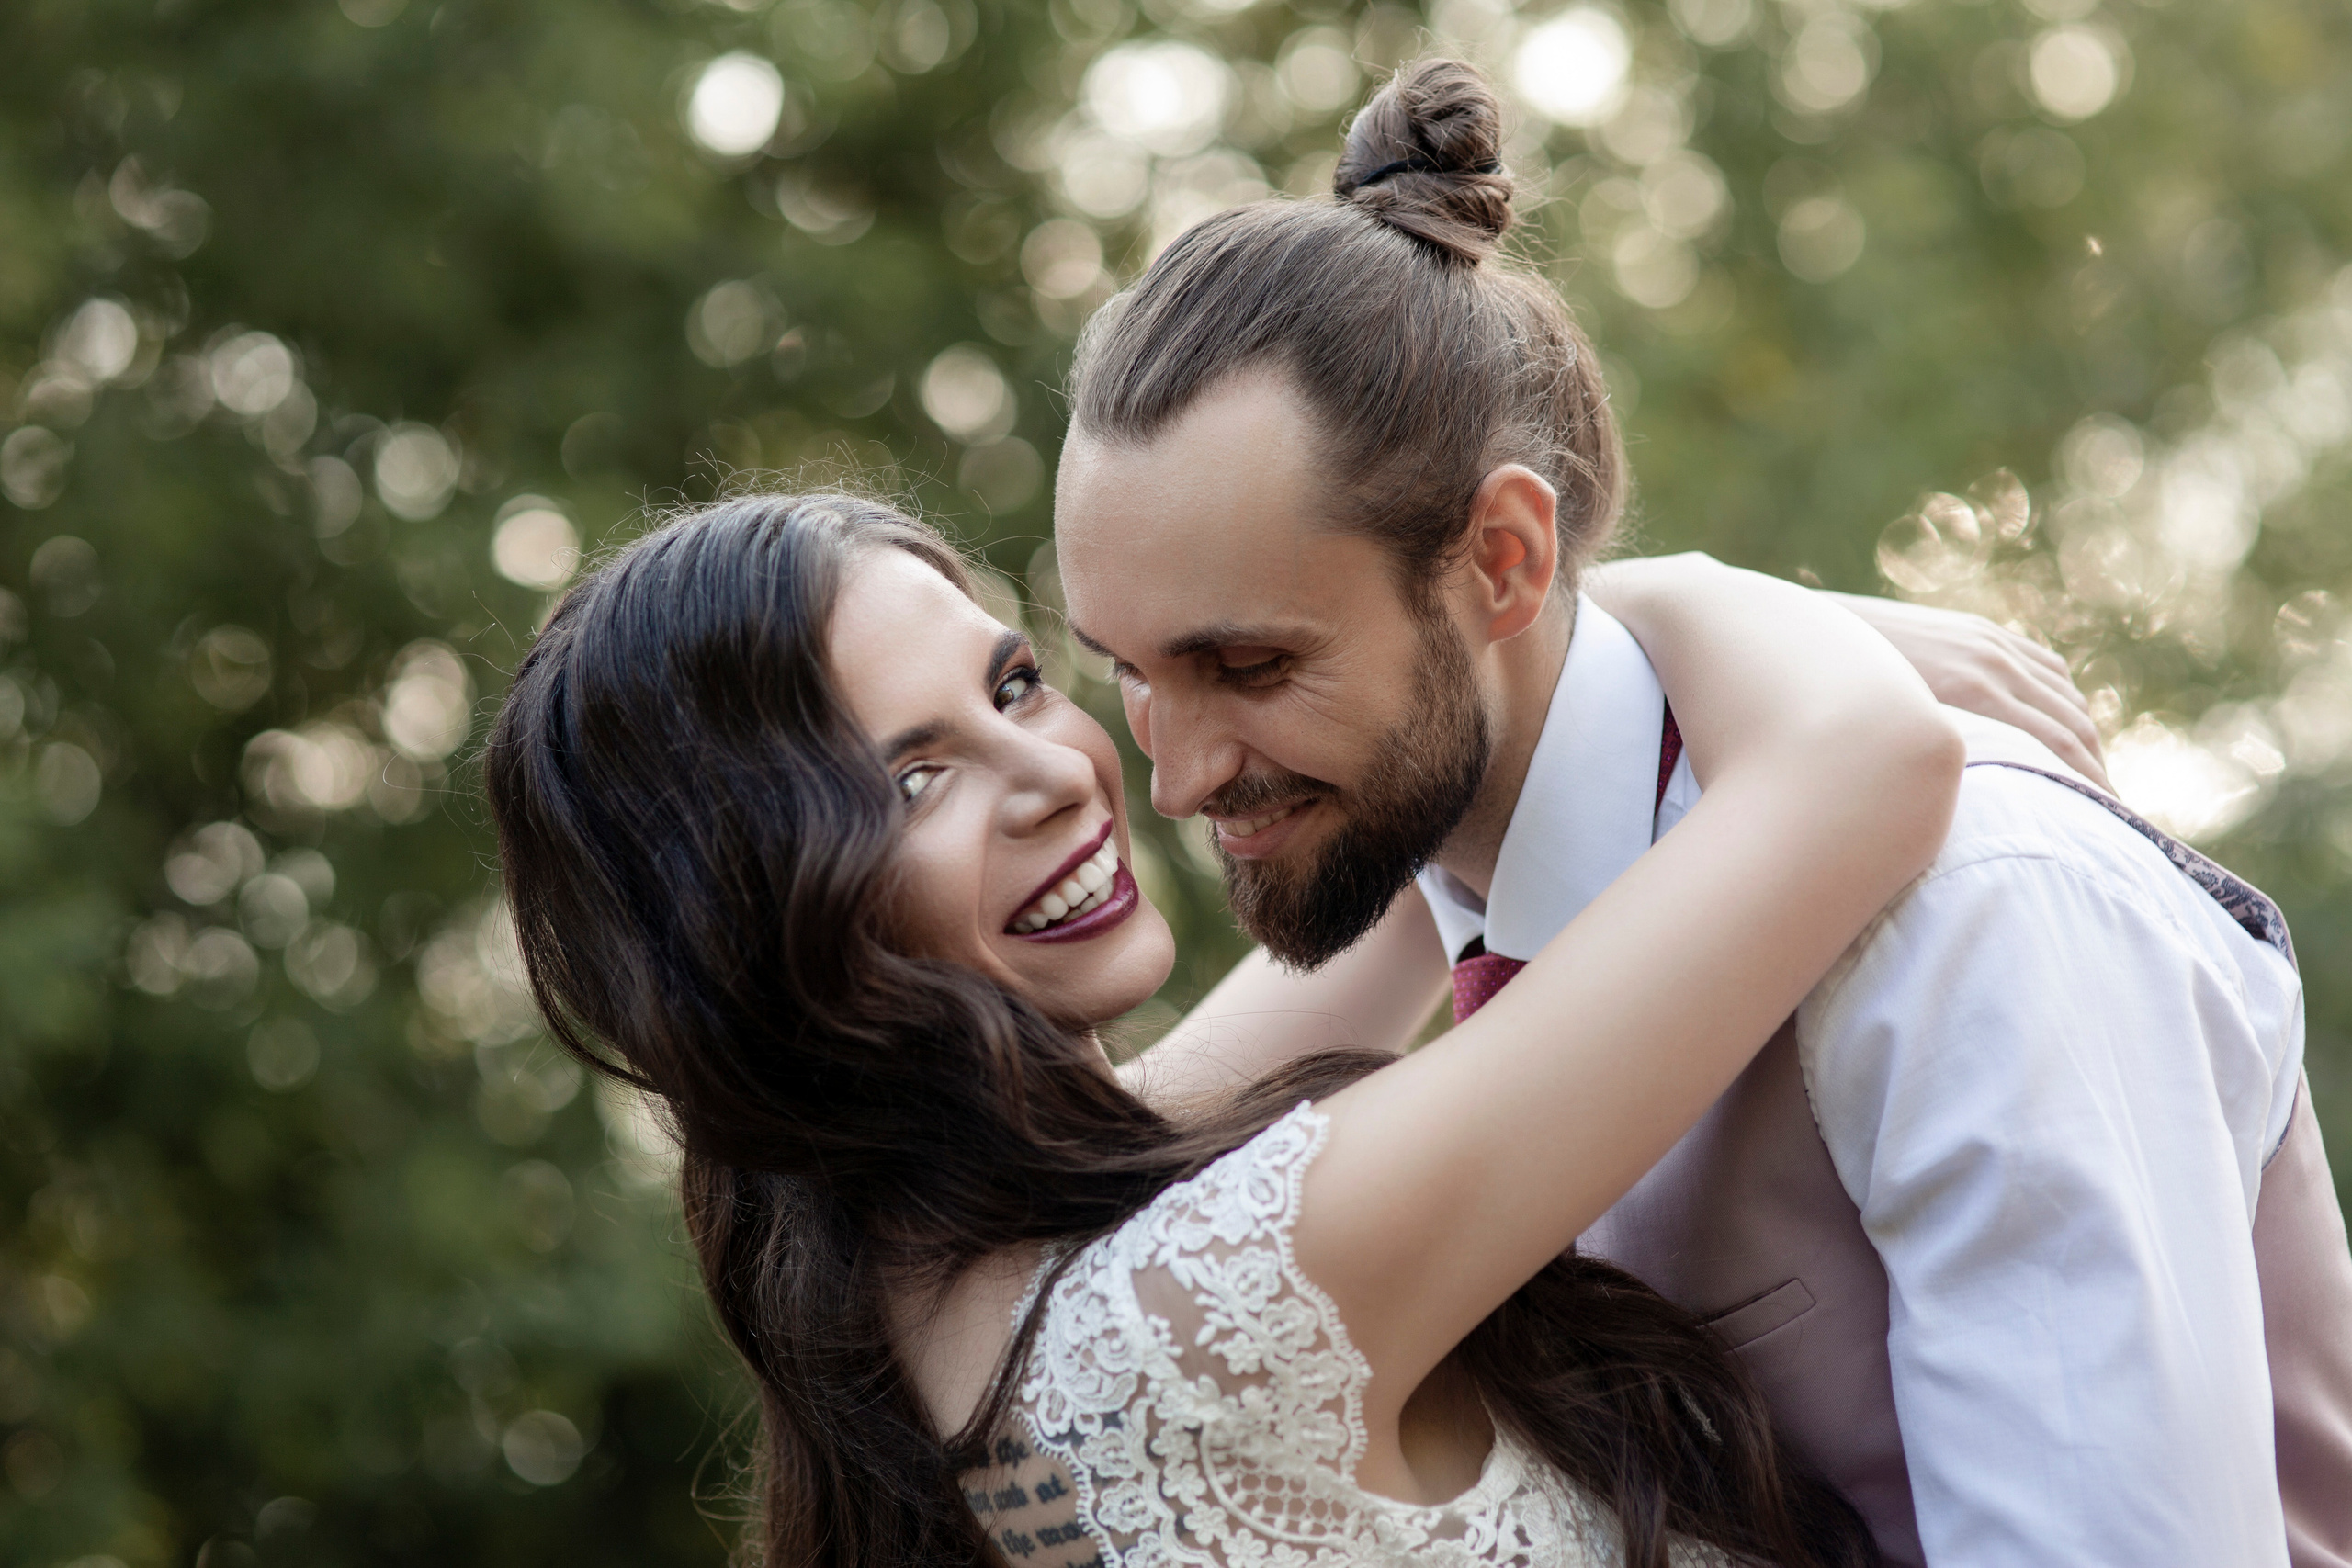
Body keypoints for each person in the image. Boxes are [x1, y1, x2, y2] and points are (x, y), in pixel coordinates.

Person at [1050, 57, 2352, 1568]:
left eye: (1252, 665)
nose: (1179, 776)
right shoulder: (1461, 918)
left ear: (1505, 565)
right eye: (1132, 675)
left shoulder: (1975, 906)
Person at [483, 486, 1998, 1567]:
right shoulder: (1211, 1313)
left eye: (1016, 682)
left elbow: (1408, 823)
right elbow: (1862, 764)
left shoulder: (954, 1307)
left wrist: (1512, 593)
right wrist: (1647, 598)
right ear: (758, 928)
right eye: (913, 779)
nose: (1063, 771)